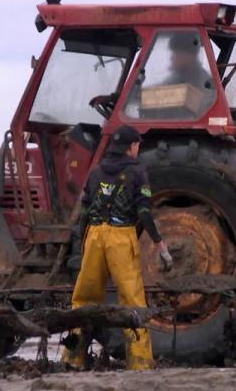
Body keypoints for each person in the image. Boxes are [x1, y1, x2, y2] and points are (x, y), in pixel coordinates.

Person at [62, 125, 172, 370]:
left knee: (83, 299)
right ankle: (140, 362)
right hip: (121, 237)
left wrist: (83, 244)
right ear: (132, 147)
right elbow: (143, 212)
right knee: (132, 301)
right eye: (137, 145)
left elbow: (85, 213)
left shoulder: (95, 172)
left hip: (94, 236)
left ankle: (73, 358)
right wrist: (159, 243)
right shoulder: (138, 172)